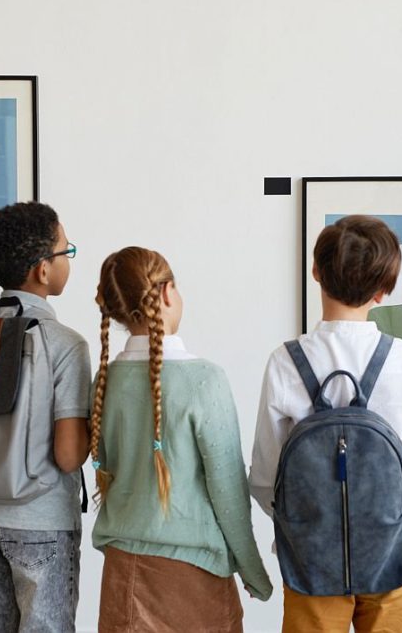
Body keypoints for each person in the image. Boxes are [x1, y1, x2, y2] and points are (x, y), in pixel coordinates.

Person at [249, 215, 402, 633]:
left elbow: (265, 478)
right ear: (384, 290)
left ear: (315, 272)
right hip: (393, 554)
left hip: (310, 558)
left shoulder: (285, 361)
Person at [89, 246, 272, 632]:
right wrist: (253, 571)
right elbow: (228, 491)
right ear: (168, 293)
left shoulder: (104, 383)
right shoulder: (205, 380)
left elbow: (102, 466)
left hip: (122, 569)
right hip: (193, 575)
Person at [0, 202, 92, 631]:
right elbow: (69, 456)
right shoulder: (65, 343)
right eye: (65, 251)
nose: (68, 258)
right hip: (41, 518)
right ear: (42, 270)